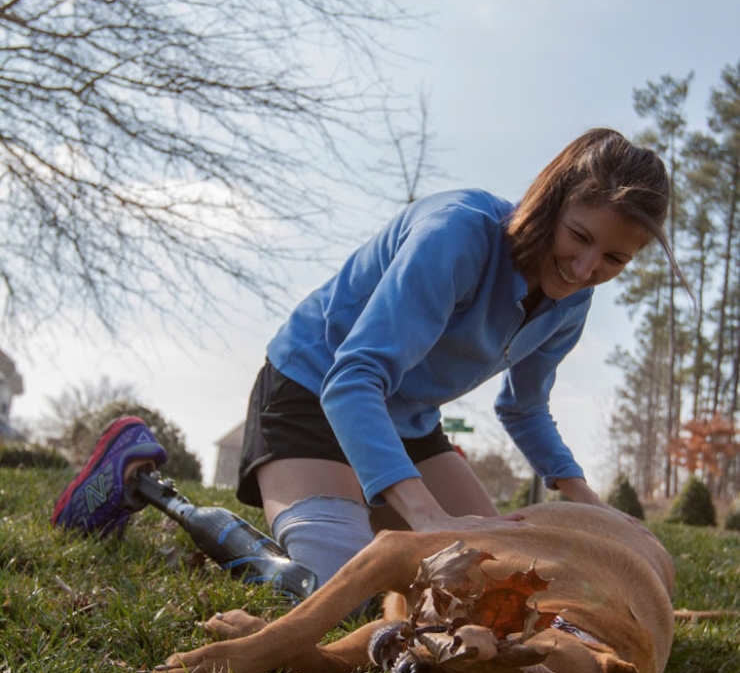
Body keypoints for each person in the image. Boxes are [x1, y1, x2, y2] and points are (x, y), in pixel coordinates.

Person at [53, 128, 674, 590]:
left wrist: (590, 506)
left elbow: (524, 406)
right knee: (336, 584)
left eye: (615, 260)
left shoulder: (571, 302)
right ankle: (150, 490)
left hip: (406, 420)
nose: (587, 268)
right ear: (553, 199)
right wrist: (424, 515)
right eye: (580, 236)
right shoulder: (457, 235)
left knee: (497, 574)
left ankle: (352, 524)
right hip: (313, 390)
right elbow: (353, 379)